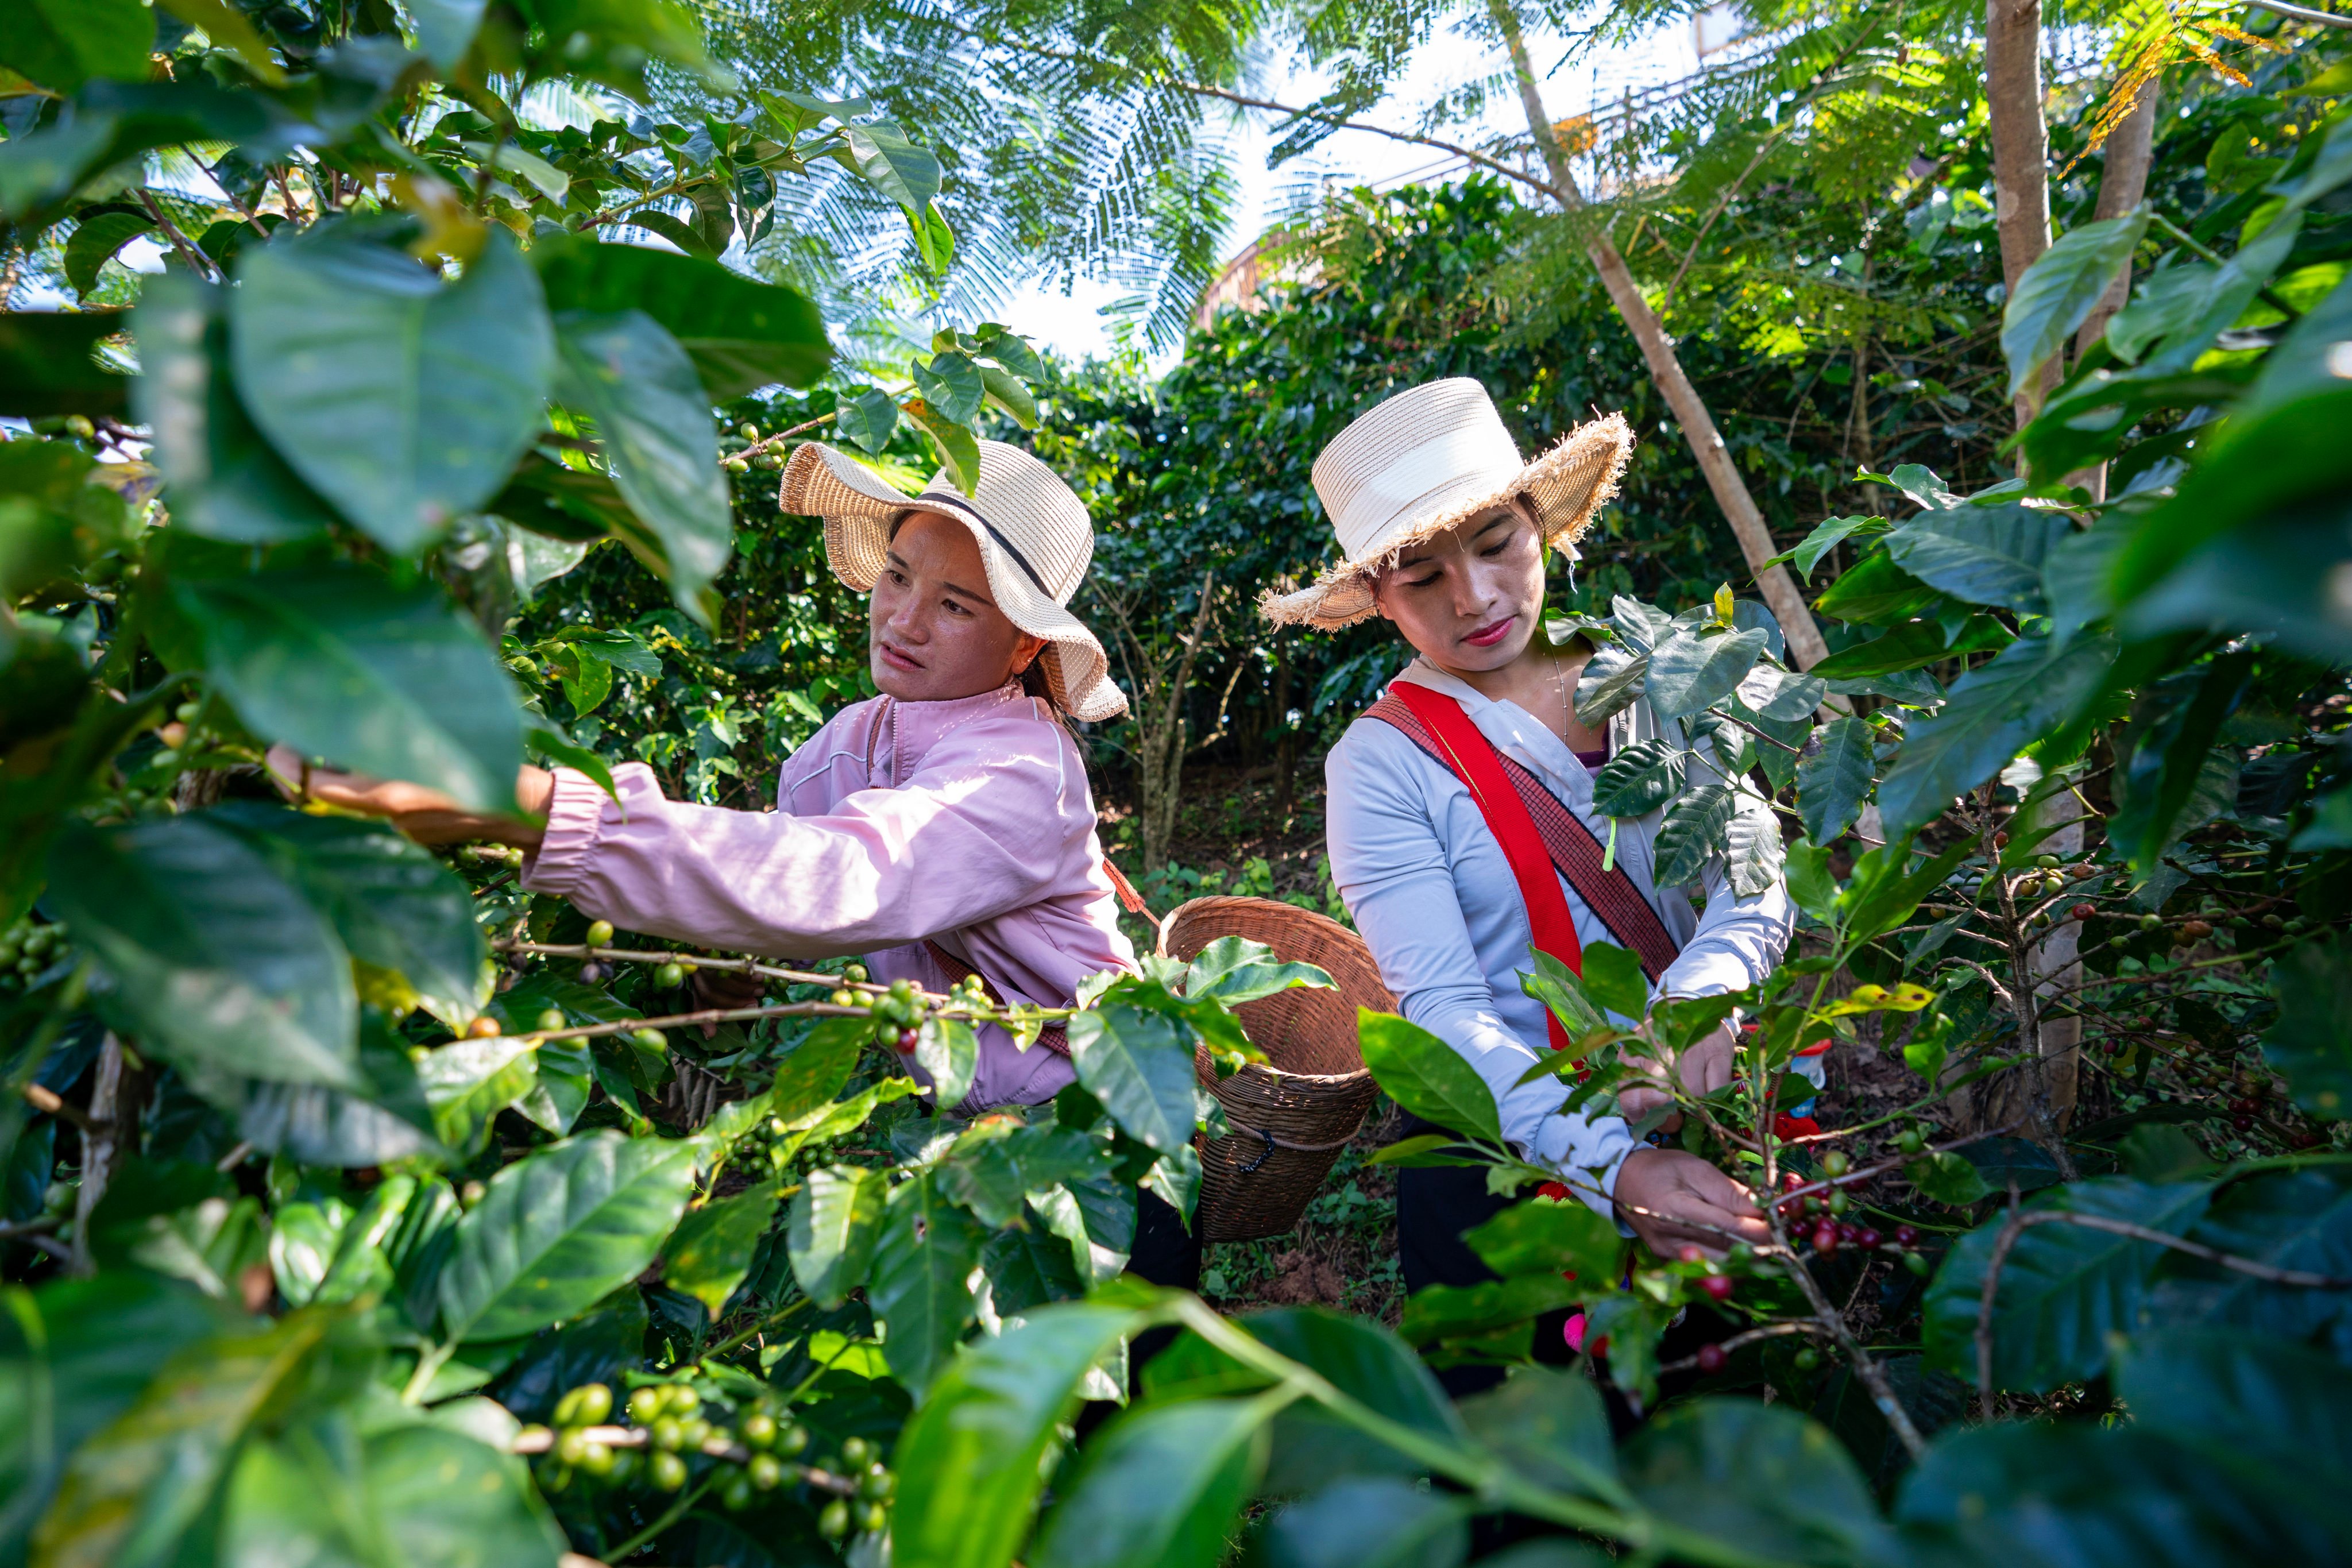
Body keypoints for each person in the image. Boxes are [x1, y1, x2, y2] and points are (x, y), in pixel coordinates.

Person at [271, 438, 1197, 1287]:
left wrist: (526, 805)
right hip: (966, 1143)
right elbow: (755, 860)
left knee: (1140, 1435)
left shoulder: (1024, 769)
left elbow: (839, 877)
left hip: (1100, 1150)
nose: (904, 620)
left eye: (955, 605)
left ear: (1027, 644)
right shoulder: (850, 742)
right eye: (899, 577)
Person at [1265, 379, 1791, 1393]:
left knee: (1709, 1449)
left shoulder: (1654, 676)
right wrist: (1617, 1166)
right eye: (1420, 577)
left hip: (1701, 1111)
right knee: (1520, 1495)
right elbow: (1449, 1012)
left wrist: (1699, 1004)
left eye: (1497, 544)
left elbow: (1755, 866)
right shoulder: (1384, 765)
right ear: (1377, 596)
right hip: (1501, 1162)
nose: (1473, 597)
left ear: (1542, 522)